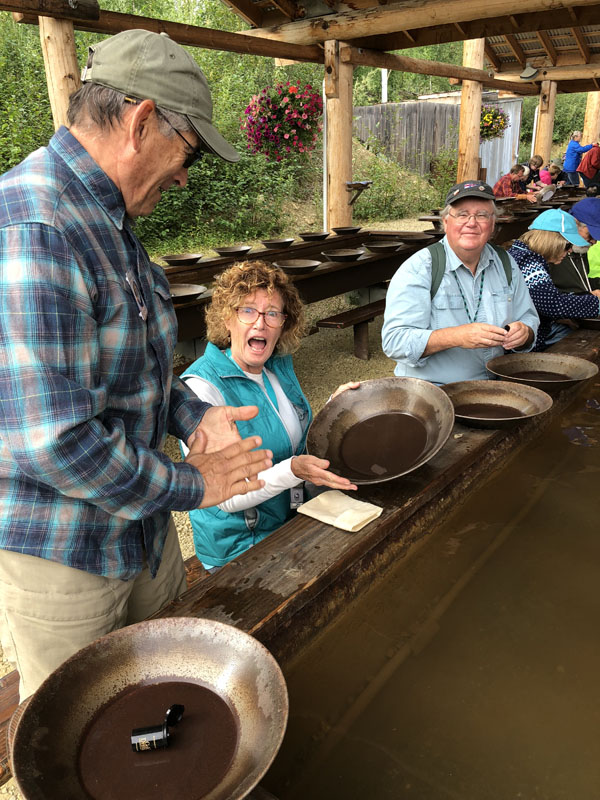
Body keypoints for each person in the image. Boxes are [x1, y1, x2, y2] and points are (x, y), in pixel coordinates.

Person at [0, 29, 274, 701]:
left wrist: (194, 412)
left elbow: (138, 365)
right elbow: (55, 442)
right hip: (71, 553)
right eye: (188, 152)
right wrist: (195, 484)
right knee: (85, 737)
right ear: (142, 120)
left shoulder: (107, 218)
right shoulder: (35, 224)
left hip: (143, 533)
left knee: (161, 706)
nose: (185, 174)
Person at [181, 261, 358, 569]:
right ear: (227, 319)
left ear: (283, 323)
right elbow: (227, 497)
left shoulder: (276, 367)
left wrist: (333, 405)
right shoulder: (201, 388)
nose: (260, 323)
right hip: (240, 547)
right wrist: (293, 470)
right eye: (248, 310)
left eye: (272, 313)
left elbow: (293, 439)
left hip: (290, 515)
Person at [381, 180, 539, 385]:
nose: (471, 222)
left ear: (493, 224)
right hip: (433, 390)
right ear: (446, 222)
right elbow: (395, 341)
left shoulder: (505, 262)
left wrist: (524, 333)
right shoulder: (420, 268)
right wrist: (455, 336)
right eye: (462, 214)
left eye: (482, 215)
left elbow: (528, 316)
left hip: (496, 384)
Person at [508, 209, 600, 350]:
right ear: (552, 240)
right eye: (568, 245)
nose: (570, 250)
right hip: (522, 341)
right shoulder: (529, 263)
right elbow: (553, 305)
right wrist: (596, 303)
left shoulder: (522, 253)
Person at [549, 197, 600, 293]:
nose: (594, 242)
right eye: (591, 235)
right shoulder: (551, 249)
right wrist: (586, 298)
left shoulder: (579, 249)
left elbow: (579, 282)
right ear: (575, 223)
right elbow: (547, 299)